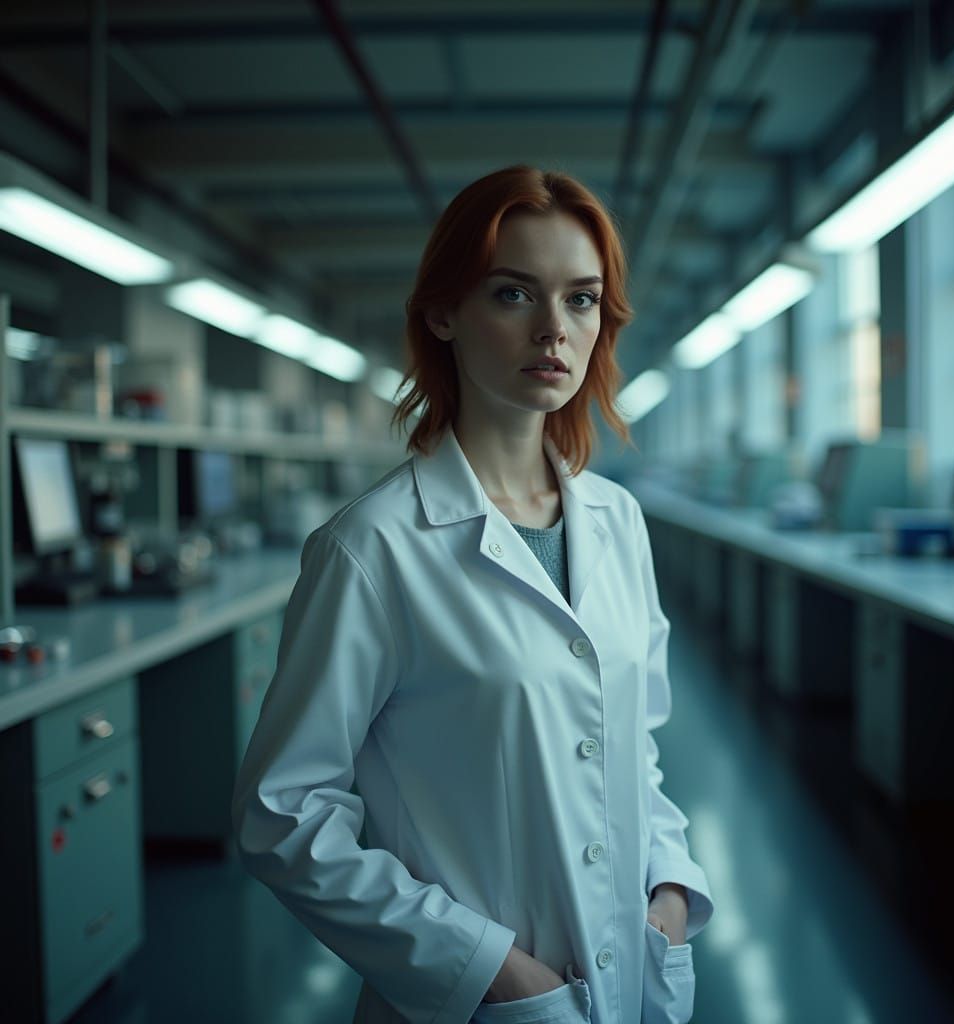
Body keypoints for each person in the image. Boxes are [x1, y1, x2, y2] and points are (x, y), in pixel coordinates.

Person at [231, 165, 714, 1024]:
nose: (553, 331)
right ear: (443, 313)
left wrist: (669, 900)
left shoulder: (618, 522)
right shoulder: (372, 549)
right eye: (513, 294)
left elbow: (635, 743)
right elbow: (285, 815)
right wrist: (487, 971)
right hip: (486, 1001)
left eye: (581, 300)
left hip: (631, 977)